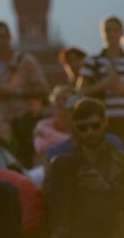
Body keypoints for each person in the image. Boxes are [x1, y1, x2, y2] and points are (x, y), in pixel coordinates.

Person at [46, 97, 124, 238]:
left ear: (105, 122)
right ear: (75, 128)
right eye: (83, 128)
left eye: (95, 126)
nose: (89, 132)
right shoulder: (64, 165)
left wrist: (105, 189)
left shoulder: (120, 161)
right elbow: (57, 211)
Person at [0, 21, 50, 120]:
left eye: (2, 37)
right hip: (1, 127)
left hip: (26, 122)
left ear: (9, 38)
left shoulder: (26, 62)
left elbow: (44, 91)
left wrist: (15, 92)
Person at [77, 15, 124, 142]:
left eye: (115, 30)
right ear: (102, 34)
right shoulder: (93, 62)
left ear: (121, 33)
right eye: (108, 31)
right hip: (102, 122)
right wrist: (105, 84)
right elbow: (81, 91)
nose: (112, 34)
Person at [33, 85, 74, 158]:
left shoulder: (80, 125)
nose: (59, 103)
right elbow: (39, 148)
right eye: (57, 99)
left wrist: (45, 133)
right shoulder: (43, 124)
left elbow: (73, 144)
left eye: (65, 100)